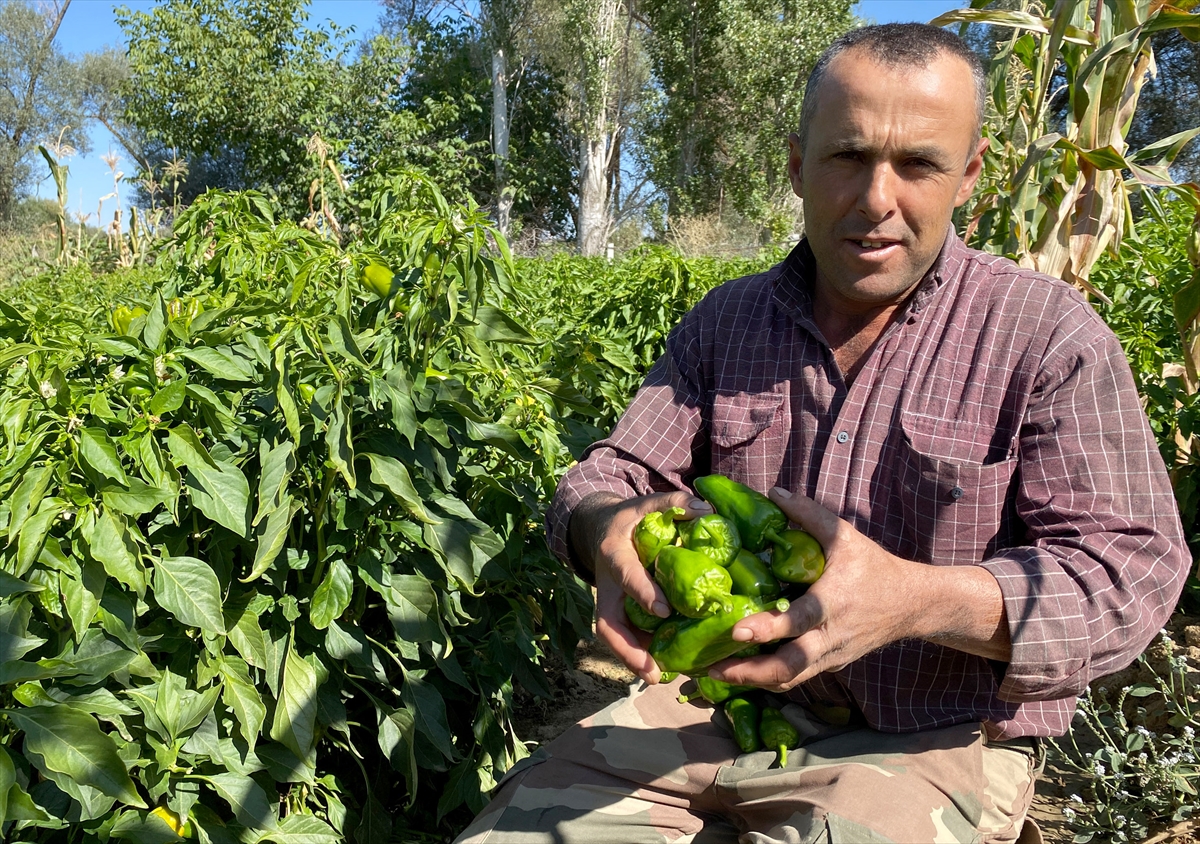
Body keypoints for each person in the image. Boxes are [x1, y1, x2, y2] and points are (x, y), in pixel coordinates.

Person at [456, 22, 1190, 844]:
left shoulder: (1045, 335)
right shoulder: (725, 325)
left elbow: (1130, 572)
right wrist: (605, 528)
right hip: (713, 706)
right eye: (847, 157)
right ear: (798, 163)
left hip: (928, 738)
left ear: (971, 174)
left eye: (918, 164)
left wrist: (912, 601)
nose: (878, 199)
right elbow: (611, 474)